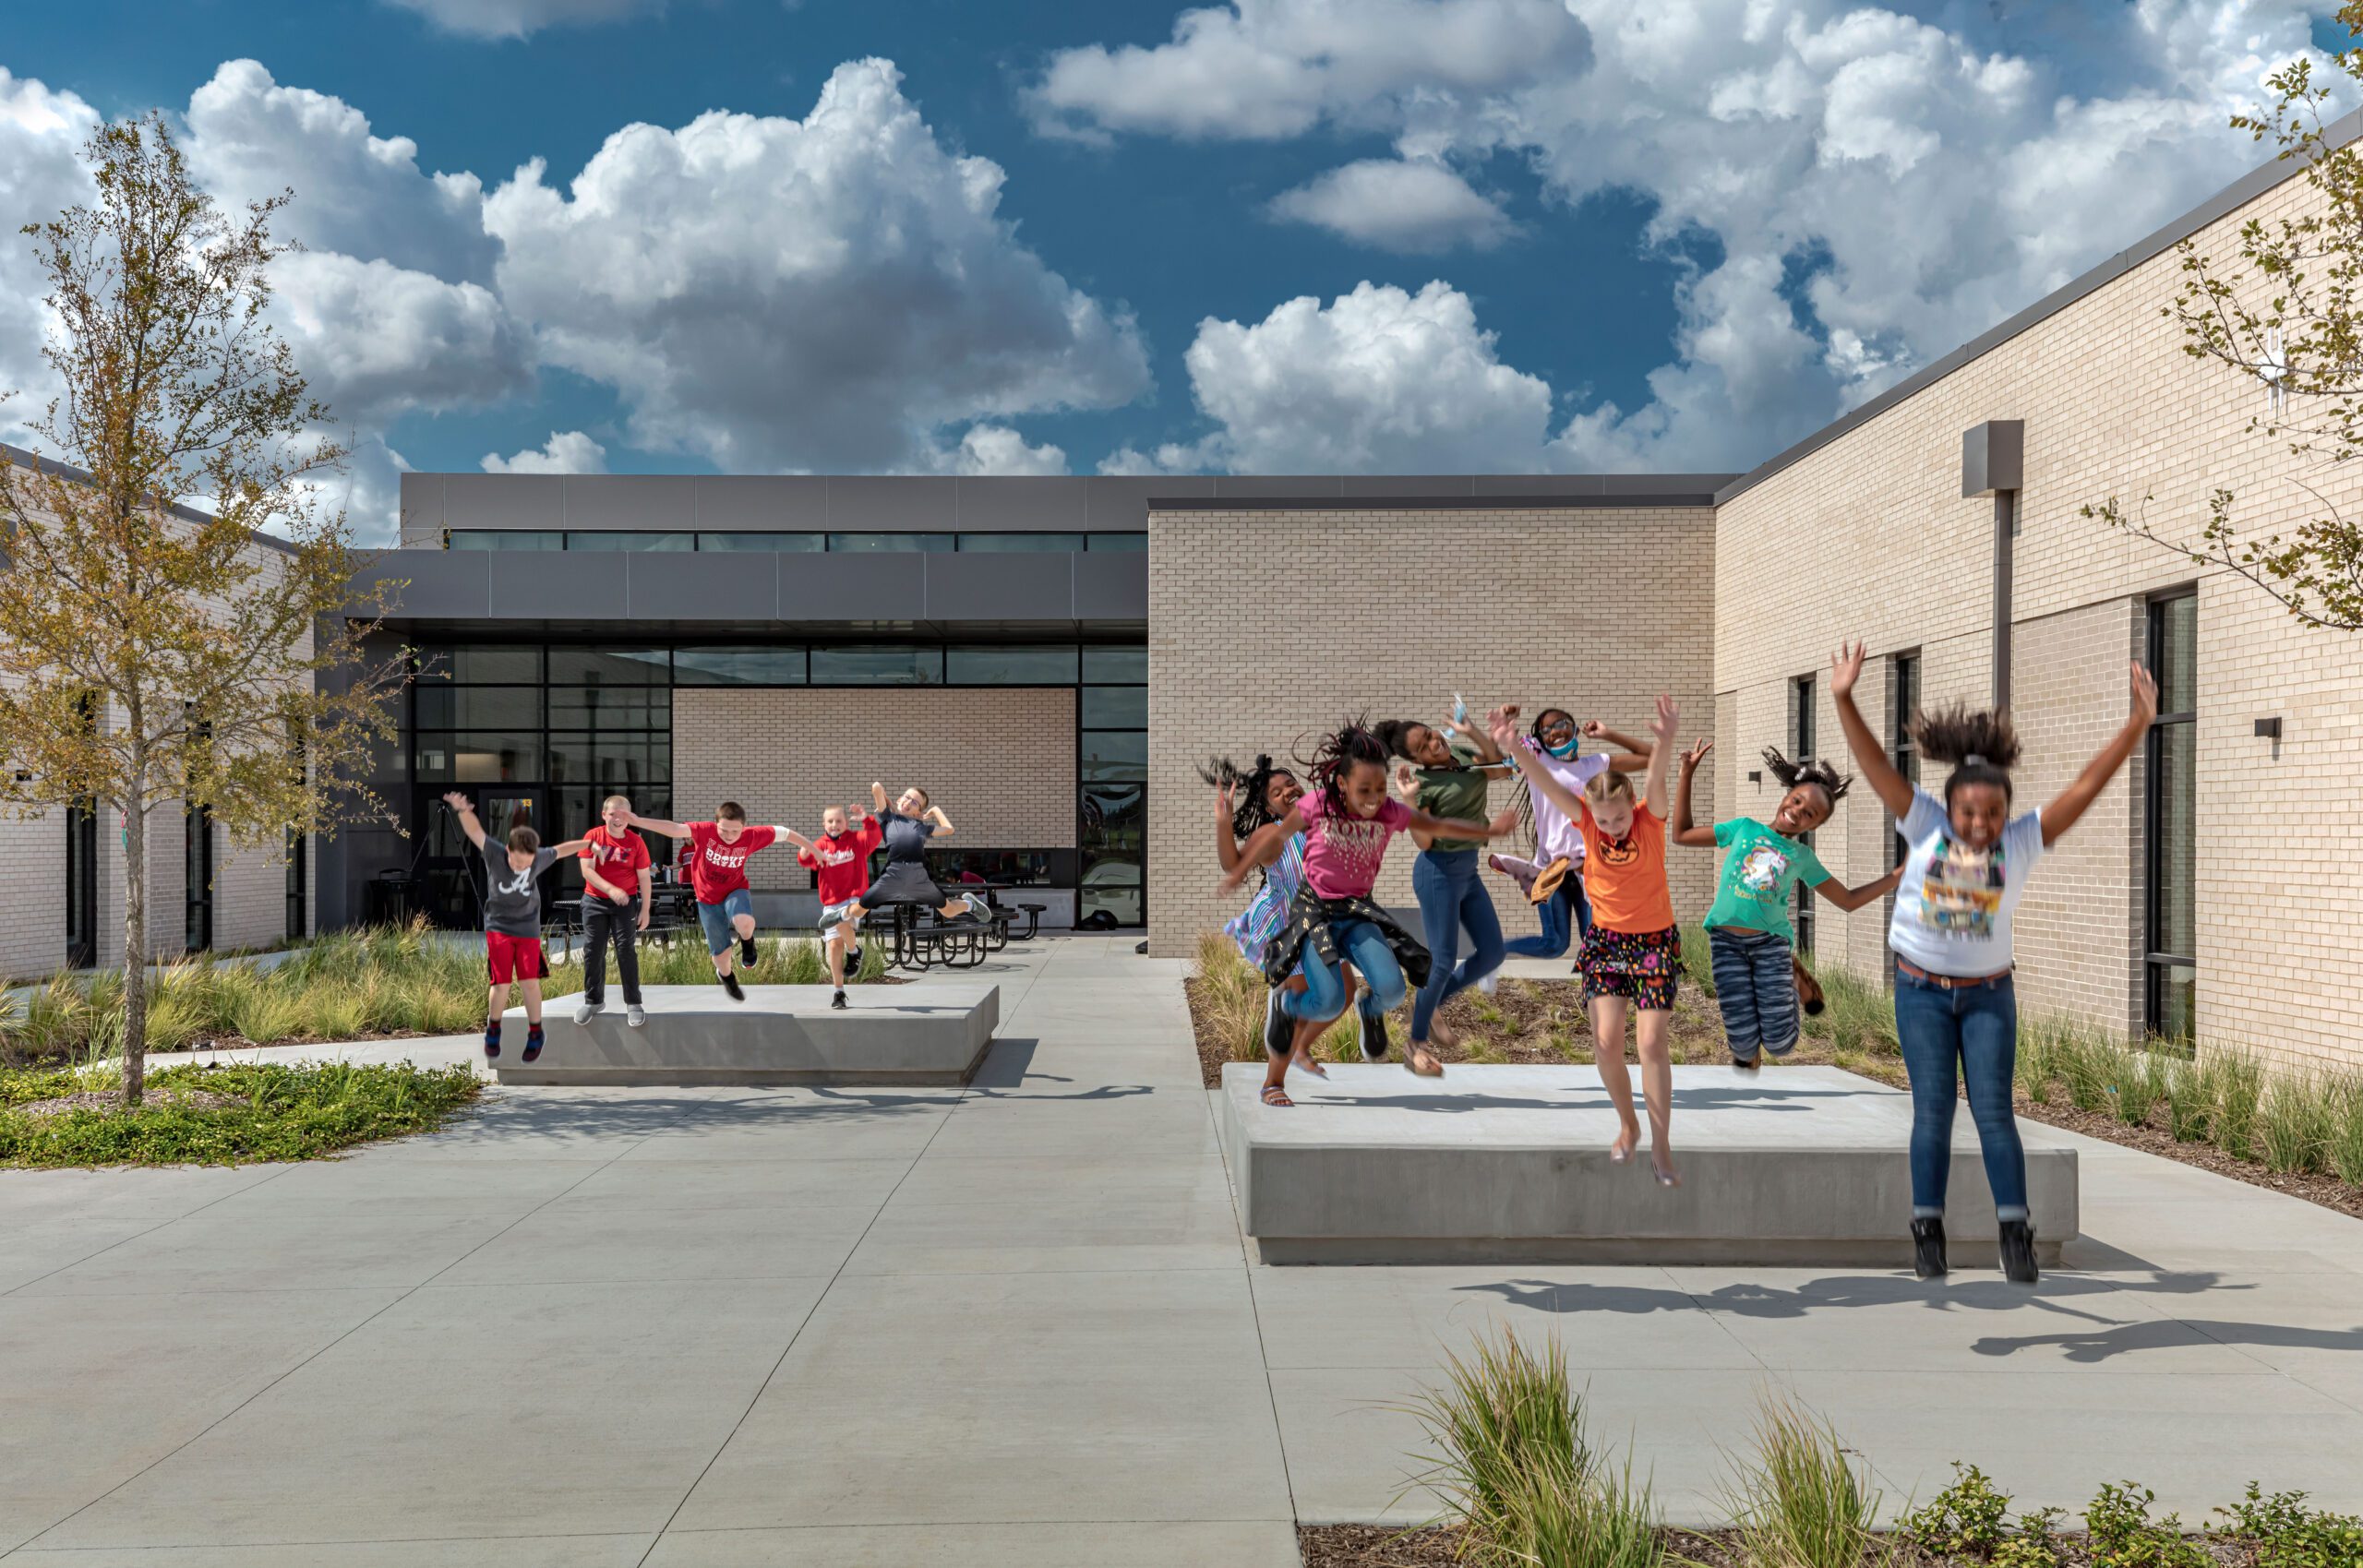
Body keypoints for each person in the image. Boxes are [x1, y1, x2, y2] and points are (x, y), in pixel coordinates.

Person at [1830, 640, 2156, 1284]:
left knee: (1993, 1110)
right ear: (1948, 809)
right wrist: (1842, 698)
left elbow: (2085, 785)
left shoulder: (2023, 839)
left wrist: (2136, 724)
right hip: (1920, 989)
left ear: (2007, 814)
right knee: (1933, 1110)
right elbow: (1874, 766)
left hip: (1987, 995)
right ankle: (1927, 1228)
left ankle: (2016, 1229)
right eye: (1969, 812)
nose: (1980, 824)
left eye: (1992, 813)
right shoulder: (1922, 824)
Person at [1222, 721, 1517, 1084]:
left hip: (1356, 910)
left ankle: (1369, 1007)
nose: (1374, 798)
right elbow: (1277, 835)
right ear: (1343, 785)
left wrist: (1490, 831)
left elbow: (1438, 827)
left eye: (1380, 788)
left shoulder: (1388, 811)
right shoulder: (1318, 805)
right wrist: (1237, 874)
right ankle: (1288, 1008)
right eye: (1365, 790)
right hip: (1314, 915)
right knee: (1328, 1000)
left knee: (1392, 990)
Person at [1495, 697, 1685, 1186]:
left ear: (1631, 809)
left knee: (1651, 1043)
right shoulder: (1585, 823)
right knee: (1604, 1042)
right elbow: (1539, 779)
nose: (1612, 830)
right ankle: (1628, 1123)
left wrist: (1664, 740)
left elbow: (1656, 777)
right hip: (1605, 942)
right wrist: (1511, 744)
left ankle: (1662, 1145)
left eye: (1618, 821)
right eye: (1603, 823)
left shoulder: (1649, 819)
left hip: (1653, 943)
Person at [1671, 742, 1901, 1069]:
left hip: (1769, 945)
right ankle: (1777, 999)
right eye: (1797, 801)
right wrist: (1687, 774)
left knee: (1780, 1045)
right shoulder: (1743, 828)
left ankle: (1795, 980)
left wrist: (1895, 877)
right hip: (1725, 943)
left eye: (1809, 814)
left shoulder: (1802, 857)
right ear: (1787, 795)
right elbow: (1681, 834)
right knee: (1743, 1047)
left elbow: (1847, 901)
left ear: (1815, 826)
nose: (1797, 812)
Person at [1204, 753, 1358, 1104]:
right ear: (1271, 809)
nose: (1287, 791)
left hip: (1323, 923)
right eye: (1277, 792)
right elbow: (1233, 864)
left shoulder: (1323, 823)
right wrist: (1224, 823)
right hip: (1285, 927)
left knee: (1345, 992)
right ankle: (1273, 1083)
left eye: (1290, 784)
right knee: (1298, 998)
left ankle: (1301, 1046)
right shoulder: (1272, 833)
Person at [1377, 715, 1516, 1062]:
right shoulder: (1423, 783)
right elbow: (1425, 841)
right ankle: (1415, 1045)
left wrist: (1472, 732)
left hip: (1467, 871)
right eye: (1423, 747)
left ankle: (1430, 1004)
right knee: (1442, 962)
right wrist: (1409, 803)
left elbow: (1501, 770)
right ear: (1415, 761)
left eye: (1430, 735)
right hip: (1438, 872)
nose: (1434, 744)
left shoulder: (1463, 757)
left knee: (1492, 953)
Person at [1491, 709, 1651, 965]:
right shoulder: (1538, 761)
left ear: (1576, 729)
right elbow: (1511, 759)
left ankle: (1596, 1003)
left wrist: (1608, 733)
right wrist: (1508, 726)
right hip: (1551, 868)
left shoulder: (1597, 764)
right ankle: (1497, 951)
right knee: (1555, 944)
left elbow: (1651, 757)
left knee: (1599, 946)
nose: (1554, 731)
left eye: (1561, 724)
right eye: (1546, 730)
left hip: (1591, 869)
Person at [442, 792, 589, 1062]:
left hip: (528, 930)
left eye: (527, 863)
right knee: (501, 984)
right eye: (518, 862)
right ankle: (493, 1028)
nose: (522, 866)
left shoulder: (539, 857)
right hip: (498, 927)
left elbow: (563, 849)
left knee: (529, 982)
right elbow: (475, 831)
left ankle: (536, 1033)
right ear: (508, 851)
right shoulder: (495, 853)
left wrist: (591, 844)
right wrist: (463, 811)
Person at [623, 803, 812, 1001]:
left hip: (734, 889)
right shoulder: (705, 831)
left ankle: (748, 942)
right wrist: (638, 821)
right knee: (722, 956)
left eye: (735, 831)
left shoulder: (752, 836)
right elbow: (674, 829)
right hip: (707, 897)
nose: (729, 836)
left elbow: (786, 833)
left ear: (743, 827)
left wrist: (813, 849)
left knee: (744, 921)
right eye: (724, 830)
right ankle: (727, 977)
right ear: (715, 824)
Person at [847, 784, 990, 927]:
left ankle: (970, 905)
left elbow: (949, 829)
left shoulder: (921, 827)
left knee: (949, 911)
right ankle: (838, 914)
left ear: (918, 812)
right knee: (859, 910)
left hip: (918, 878)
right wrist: (889, 801)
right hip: (893, 876)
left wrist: (935, 810)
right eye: (907, 797)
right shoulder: (887, 818)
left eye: (915, 803)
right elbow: (876, 787)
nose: (909, 802)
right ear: (899, 799)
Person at [574, 794, 654, 1029]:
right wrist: (610, 889)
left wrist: (645, 909)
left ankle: (633, 1003)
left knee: (625, 950)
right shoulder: (594, 837)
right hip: (595, 901)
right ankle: (593, 1001)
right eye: (612, 814)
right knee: (593, 950)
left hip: (624, 904)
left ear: (629, 817)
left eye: (623, 815)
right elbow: (587, 871)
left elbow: (644, 878)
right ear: (603, 815)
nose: (617, 819)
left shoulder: (636, 842)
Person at [800, 803, 882, 1009]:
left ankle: (854, 950)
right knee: (835, 946)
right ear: (823, 824)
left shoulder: (857, 840)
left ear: (846, 822)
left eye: (839, 821)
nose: (834, 824)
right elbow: (805, 860)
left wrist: (866, 819)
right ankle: (839, 992)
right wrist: (804, 849)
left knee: (843, 919)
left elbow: (875, 836)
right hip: (831, 902)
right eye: (830, 821)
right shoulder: (820, 844)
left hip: (854, 899)